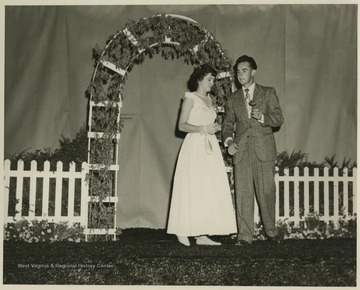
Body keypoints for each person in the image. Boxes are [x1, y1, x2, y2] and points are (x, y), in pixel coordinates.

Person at [167, 64, 237, 246]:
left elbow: (207, 121)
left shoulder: (210, 100)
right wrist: (203, 129)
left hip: (209, 146)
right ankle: (181, 230)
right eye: (209, 79)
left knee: (206, 188)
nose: (212, 83)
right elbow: (181, 126)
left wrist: (214, 128)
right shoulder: (190, 98)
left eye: (213, 79)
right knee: (191, 187)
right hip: (194, 146)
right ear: (199, 79)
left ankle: (202, 234)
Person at [222, 55, 284, 246]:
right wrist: (229, 141)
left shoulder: (268, 93)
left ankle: (271, 232)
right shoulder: (233, 99)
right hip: (241, 151)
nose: (240, 75)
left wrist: (264, 117)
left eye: (244, 70)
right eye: (238, 71)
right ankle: (245, 236)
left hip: (263, 149)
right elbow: (227, 125)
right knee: (243, 194)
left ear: (253, 72)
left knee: (267, 192)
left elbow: (279, 118)